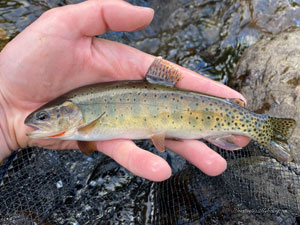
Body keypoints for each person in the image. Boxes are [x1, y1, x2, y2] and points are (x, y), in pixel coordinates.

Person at [0, 0, 249, 181]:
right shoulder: (78, 122)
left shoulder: (81, 124)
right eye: (43, 118)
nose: (38, 121)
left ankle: (256, 126)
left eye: (43, 117)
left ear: (68, 112)